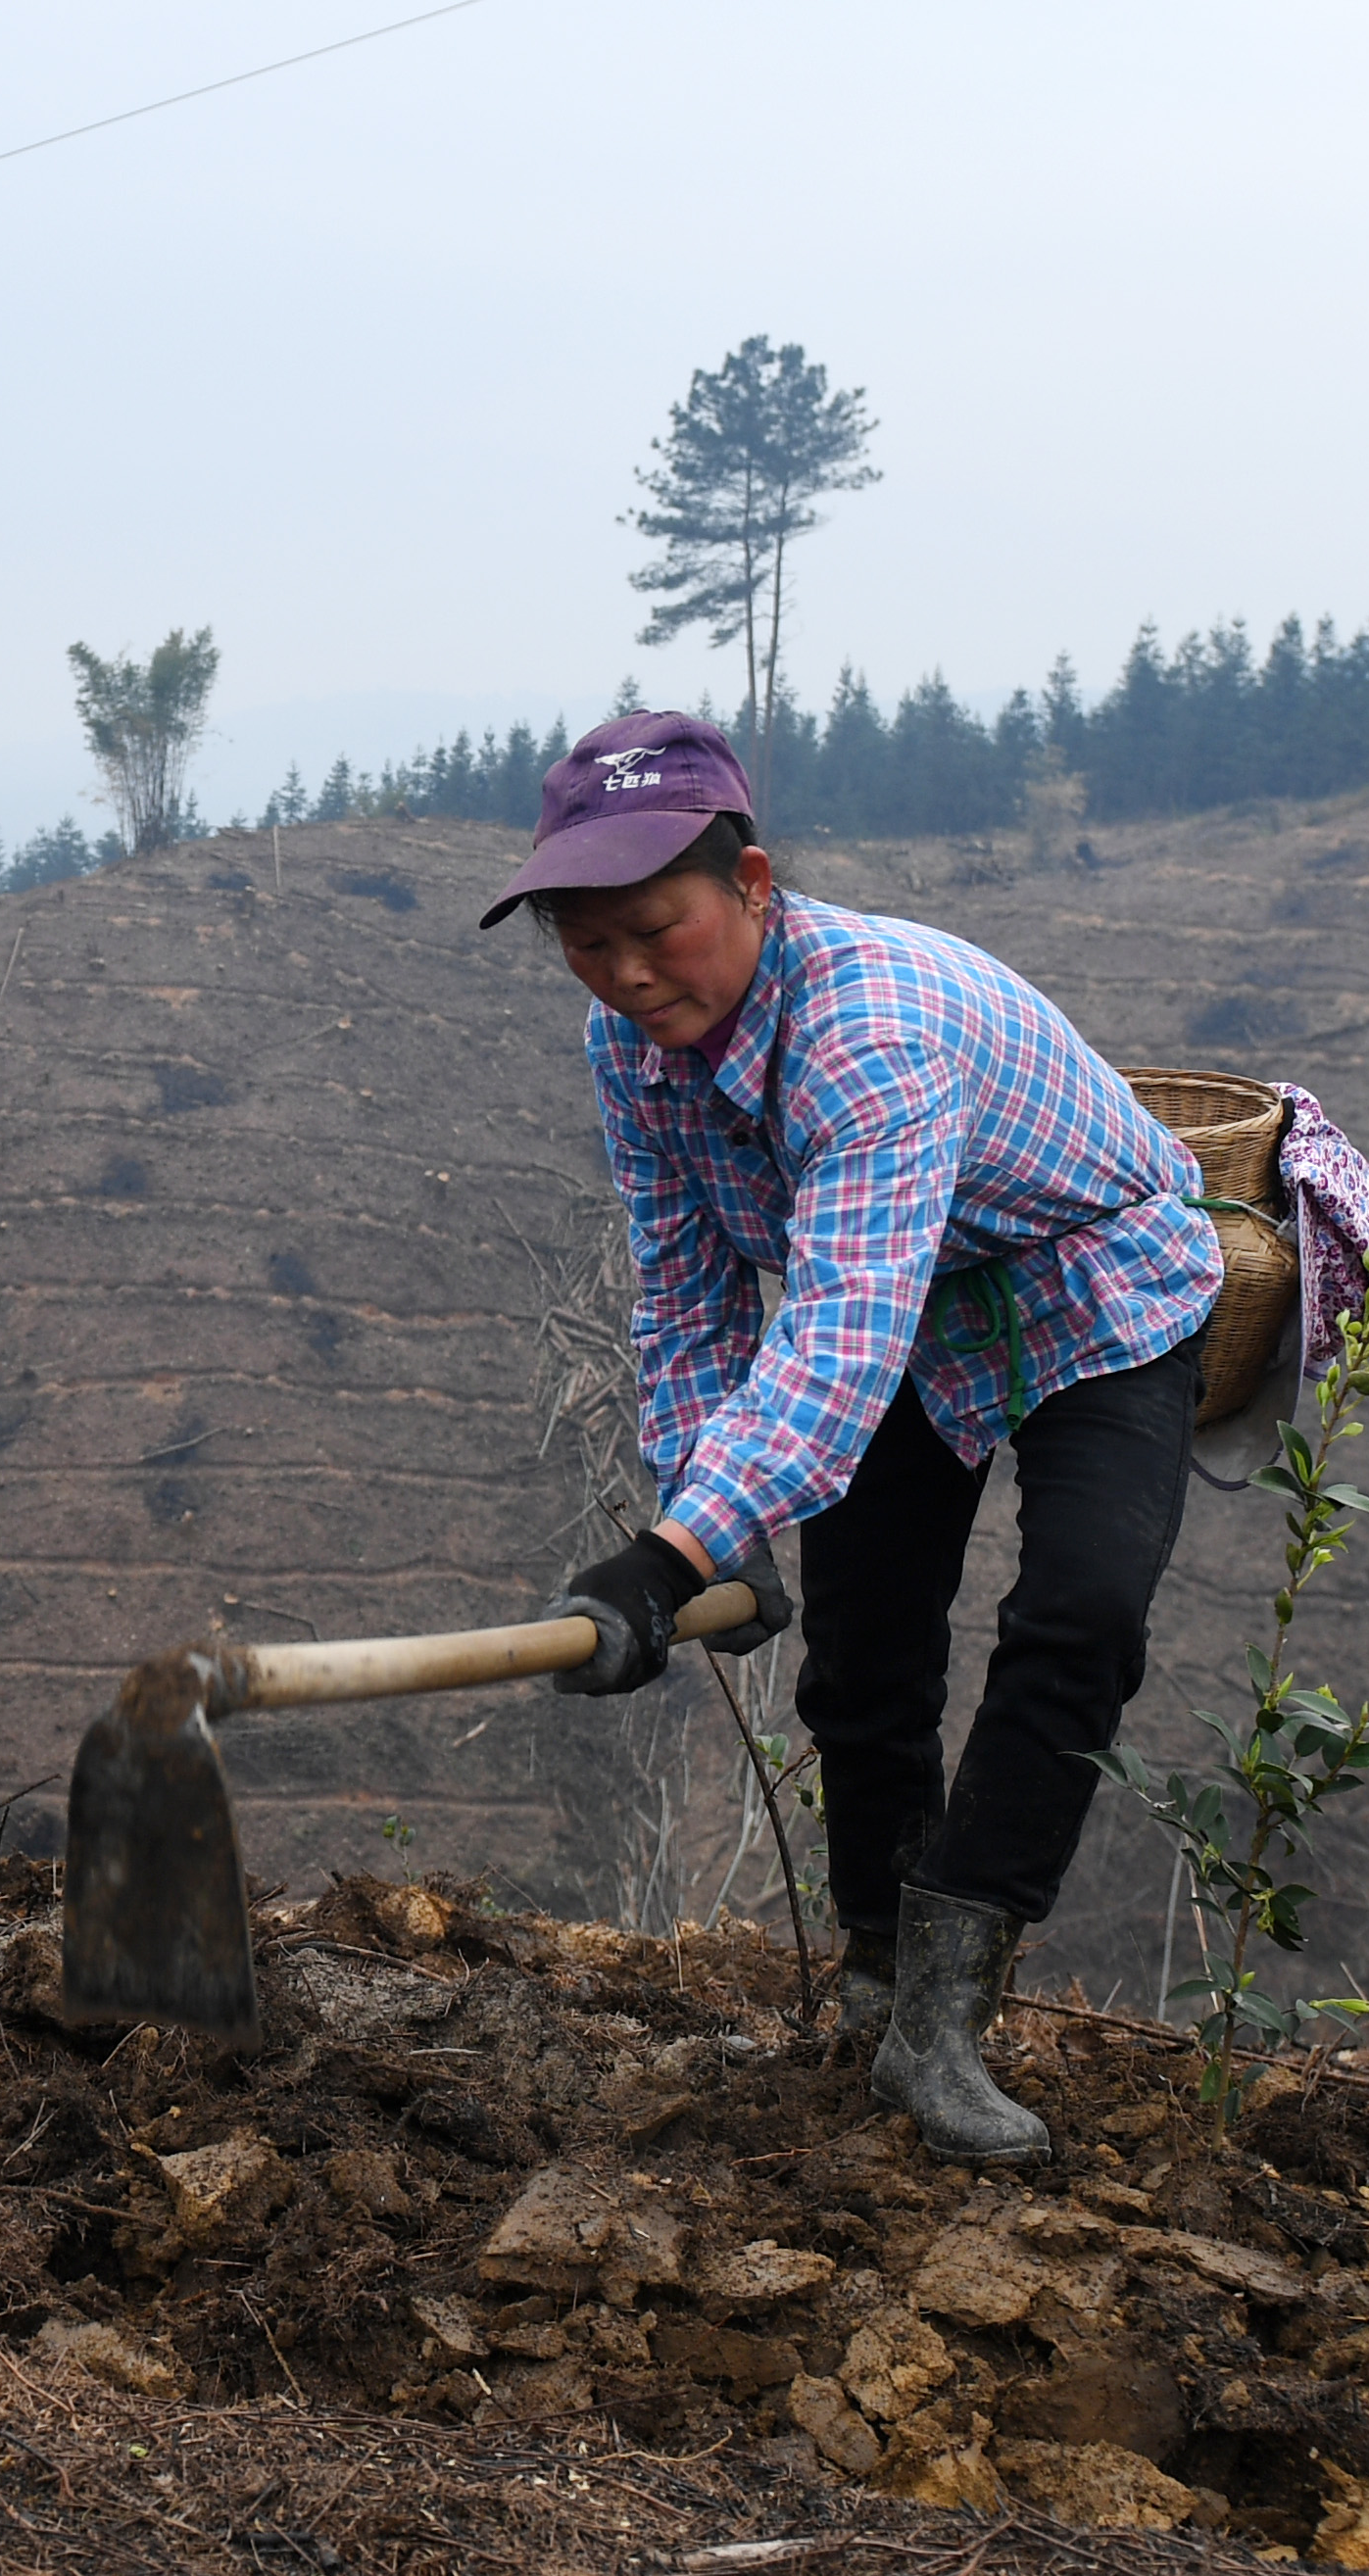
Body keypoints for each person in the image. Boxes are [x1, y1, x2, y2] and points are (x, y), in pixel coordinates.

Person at [485, 714, 1219, 2163]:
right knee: (867, 1652)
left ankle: (947, 2017)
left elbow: (831, 1335)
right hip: (908, 1306)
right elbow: (690, 1286)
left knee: (1081, 1612)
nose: (627, 976)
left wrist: (664, 1551)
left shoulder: (867, 1030)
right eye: (584, 942)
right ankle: (880, 1974)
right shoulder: (630, 1050)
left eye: (654, 930)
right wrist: (717, 1523)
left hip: (1095, 1284)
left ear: (751, 883)